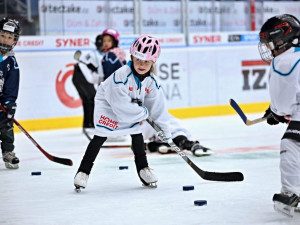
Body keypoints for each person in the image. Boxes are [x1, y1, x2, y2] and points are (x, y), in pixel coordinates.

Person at [74, 35, 171, 190]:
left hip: (130, 108)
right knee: (100, 135)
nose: (141, 64)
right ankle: (83, 172)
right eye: (138, 59)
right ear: (131, 56)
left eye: (146, 61)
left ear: (153, 61)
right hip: (107, 106)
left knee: (137, 134)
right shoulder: (121, 76)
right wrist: (143, 112)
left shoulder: (152, 82)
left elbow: (157, 107)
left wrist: (164, 132)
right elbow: (121, 106)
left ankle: (143, 169)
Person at [259, 14, 300, 216]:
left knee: (291, 143)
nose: (270, 49)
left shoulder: (284, 60)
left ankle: (291, 193)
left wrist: (276, 112)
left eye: (271, 43)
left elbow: (283, 104)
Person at [72, 28, 126, 140]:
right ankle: (117, 131)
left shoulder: (110, 56)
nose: (105, 43)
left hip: (114, 87)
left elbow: (109, 73)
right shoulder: (118, 53)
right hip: (118, 86)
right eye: (104, 40)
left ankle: (116, 132)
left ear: (114, 42)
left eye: (109, 41)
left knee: (110, 109)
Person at [0, 18, 21, 169]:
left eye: (9, 37)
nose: (6, 40)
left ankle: (8, 152)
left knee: (6, 124)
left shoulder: (11, 61)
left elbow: (12, 85)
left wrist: (9, 103)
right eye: (2, 35)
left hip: (1, 102)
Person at [141, 113, 213, 156]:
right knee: (148, 145)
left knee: (178, 137)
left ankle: (192, 145)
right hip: (156, 130)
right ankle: (162, 144)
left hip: (171, 129)